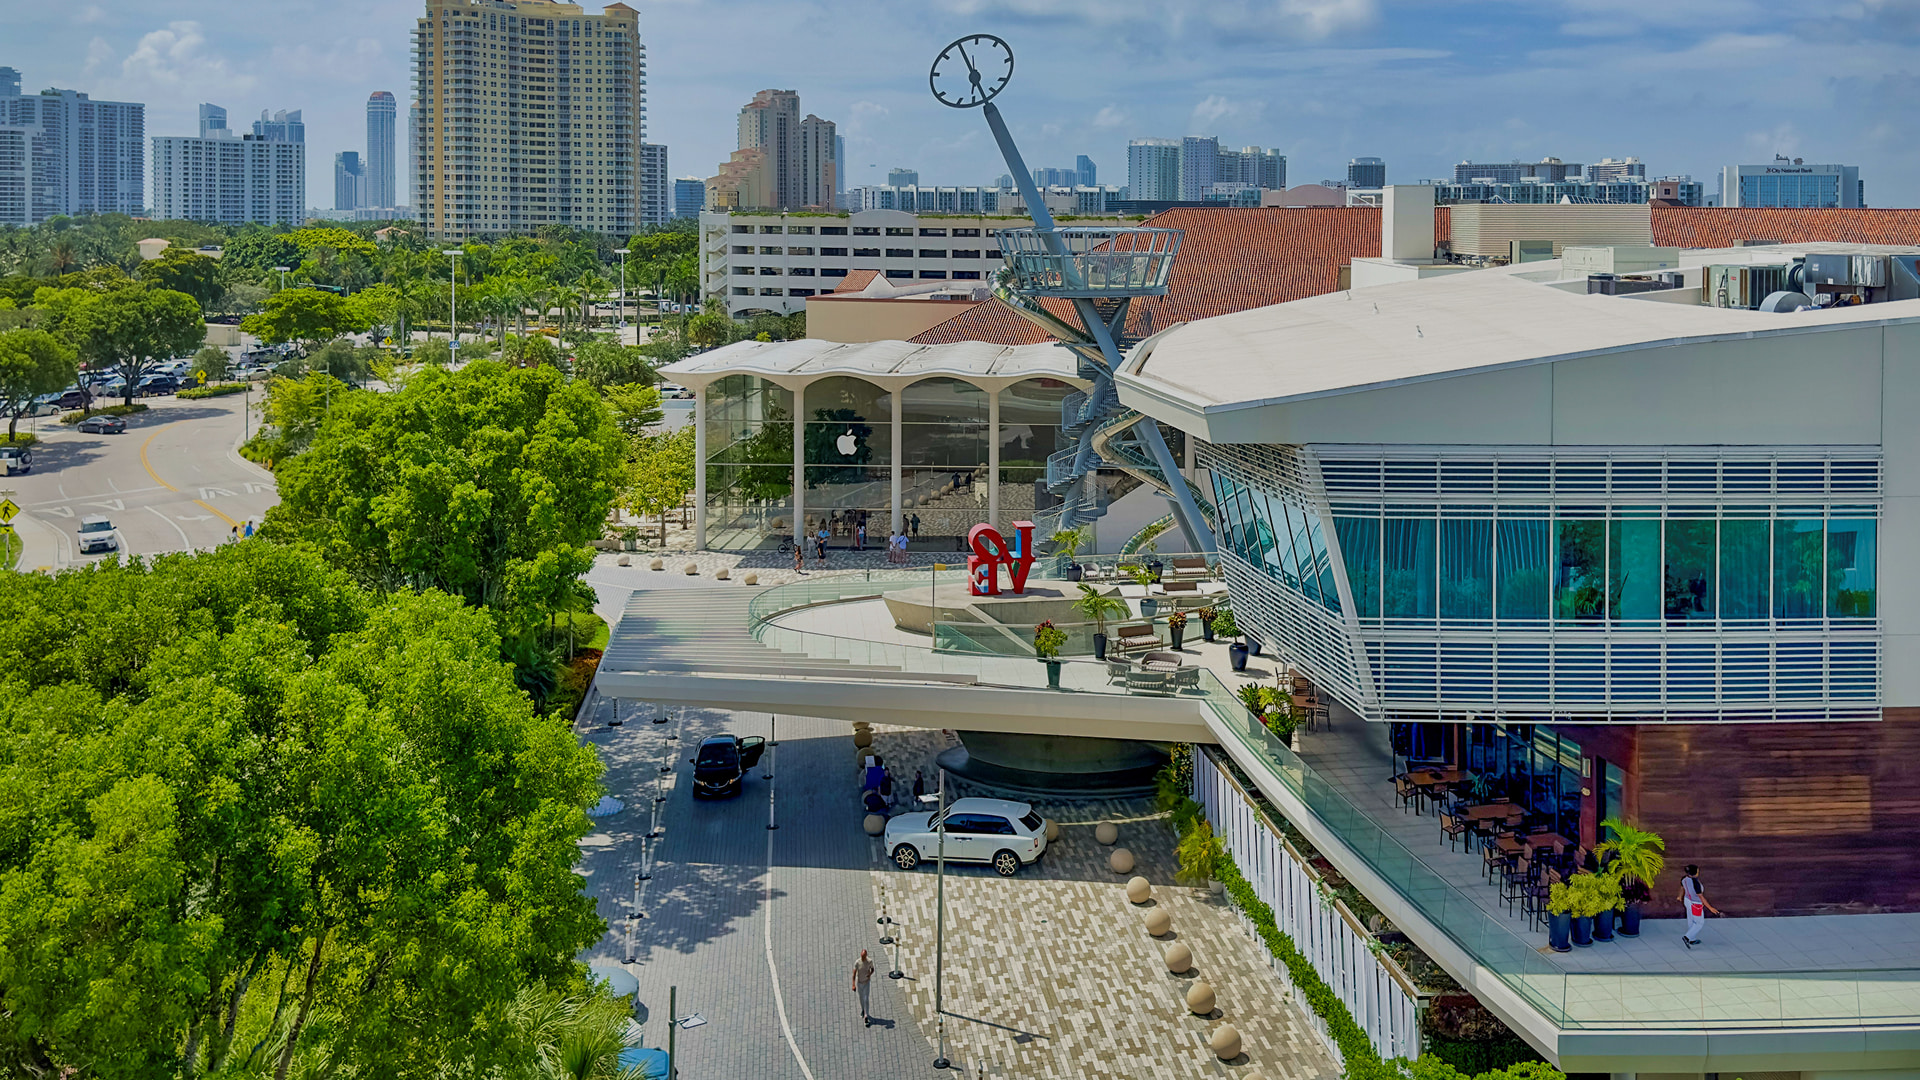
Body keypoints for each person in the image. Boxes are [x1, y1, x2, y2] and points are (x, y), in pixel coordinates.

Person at [1680, 864, 1721, 948]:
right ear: (1695, 873)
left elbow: (1682, 888)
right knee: (1699, 923)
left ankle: (1692, 938)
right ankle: (1687, 937)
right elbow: (1701, 897)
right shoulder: (1695, 883)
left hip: (1687, 900)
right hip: (1695, 904)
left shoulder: (1684, 879)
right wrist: (1710, 908)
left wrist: (1680, 896)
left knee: (1691, 920)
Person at [852, 949, 877, 1025]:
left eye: (864, 956)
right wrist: (853, 984)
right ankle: (863, 1009)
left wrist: (870, 974)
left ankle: (866, 1014)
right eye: (861, 956)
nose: (862, 957)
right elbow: (854, 974)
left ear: (866, 956)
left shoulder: (869, 961)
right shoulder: (857, 962)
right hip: (859, 983)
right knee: (861, 997)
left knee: (866, 998)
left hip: (866, 982)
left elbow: (872, 969)